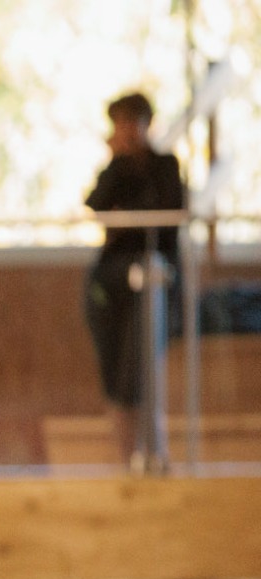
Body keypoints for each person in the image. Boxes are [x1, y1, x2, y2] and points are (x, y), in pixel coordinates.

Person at [83, 90, 186, 466]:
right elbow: (96, 204)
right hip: (115, 278)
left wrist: (129, 213)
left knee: (139, 370)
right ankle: (128, 458)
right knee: (116, 375)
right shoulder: (116, 169)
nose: (126, 131)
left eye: (132, 122)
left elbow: (167, 216)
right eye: (120, 124)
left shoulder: (165, 166)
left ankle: (153, 452)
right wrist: (117, 163)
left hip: (154, 276)